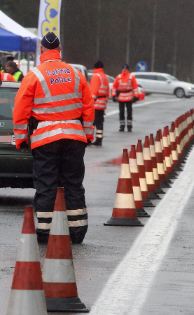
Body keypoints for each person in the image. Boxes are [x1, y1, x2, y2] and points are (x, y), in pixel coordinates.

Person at [13, 32, 95, 244]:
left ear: (41, 50)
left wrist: (20, 138)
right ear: (59, 50)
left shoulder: (34, 75)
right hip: (75, 138)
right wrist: (87, 134)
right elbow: (88, 107)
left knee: (47, 185)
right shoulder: (76, 74)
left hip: (46, 139)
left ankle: (45, 232)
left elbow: (21, 109)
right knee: (73, 183)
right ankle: (77, 231)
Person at [111, 63, 139, 132]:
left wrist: (136, 96)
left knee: (129, 112)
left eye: (126, 69)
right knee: (121, 112)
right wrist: (113, 95)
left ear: (128, 69)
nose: (124, 70)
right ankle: (122, 126)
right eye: (123, 68)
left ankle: (129, 126)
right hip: (121, 96)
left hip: (129, 96)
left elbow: (135, 87)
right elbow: (114, 86)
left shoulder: (131, 77)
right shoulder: (118, 77)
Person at [89, 60, 109, 145]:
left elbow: (94, 91)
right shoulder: (105, 76)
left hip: (96, 103)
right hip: (102, 103)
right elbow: (107, 91)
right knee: (100, 122)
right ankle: (99, 139)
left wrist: (90, 102)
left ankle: (89, 140)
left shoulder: (96, 76)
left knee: (91, 122)